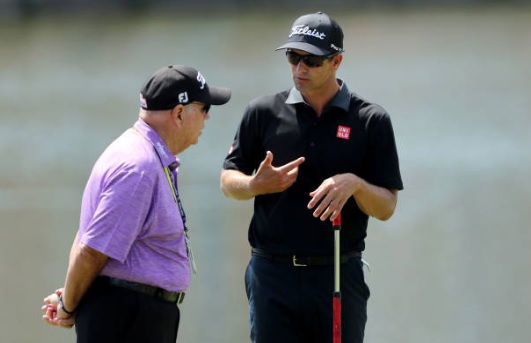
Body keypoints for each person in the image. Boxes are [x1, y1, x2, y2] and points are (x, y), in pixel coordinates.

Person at [220, 12, 403, 343]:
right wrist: (254, 185)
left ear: (337, 61)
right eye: (293, 57)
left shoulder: (370, 120)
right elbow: (227, 180)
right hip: (271, 276)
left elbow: (387, 206)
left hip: (338, 275)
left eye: (311, 60)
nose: (299, 69)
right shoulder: (262, 112)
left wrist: (356, 184)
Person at [41, 65, 231, 343]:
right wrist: (69, 305)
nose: (208, 117)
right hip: (128, 316)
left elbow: (87, 237)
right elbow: (92, 250)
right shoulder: (138, 166)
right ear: (179, 113)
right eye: (204, 108)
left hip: (135, 312)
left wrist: (70, 296)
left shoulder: (143, 154)